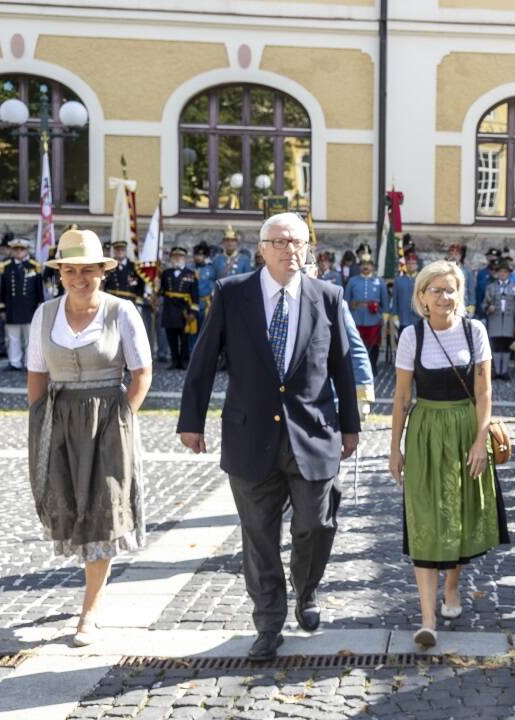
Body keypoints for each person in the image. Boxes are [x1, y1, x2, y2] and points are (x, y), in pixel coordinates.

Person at [178, 212, 361, 662]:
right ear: (261, 248)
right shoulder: (232, 293)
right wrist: (191, 421)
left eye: (296, 242)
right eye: (279, 242)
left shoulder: (328, 296)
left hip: (313, 434)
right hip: (250, 433)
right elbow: (203, 361)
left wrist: (351, 426)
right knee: (259, 536)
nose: (288, 250)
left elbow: (342, 365)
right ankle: (268, 623)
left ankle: (307, 588)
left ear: (307, 248)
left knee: (315, 525)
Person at [25, 228, 153, 647]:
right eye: (70, 270)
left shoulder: (122, 313)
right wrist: (40, 421)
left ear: (103, 272)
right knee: (67, 500)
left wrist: (123, 420)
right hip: (59, 419)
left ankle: (90, 610)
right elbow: (37, 374)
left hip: (107, 419)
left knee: (103, 507)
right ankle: (91, 596)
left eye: (89, 270)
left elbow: (141, 373)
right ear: (60, 273)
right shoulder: (45, 314)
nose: (79, 278)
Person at [389, 259, 508, 648]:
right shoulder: (412, 336)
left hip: (464, 428)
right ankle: (427, 620)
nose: (444, 297)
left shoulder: (475, 332)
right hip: (425, 432)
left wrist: (479, 440)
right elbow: (403, 397)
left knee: (459, 512)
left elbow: (485, 392)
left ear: (460, 293)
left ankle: (452, 586)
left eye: (451, 289)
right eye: (436, 290)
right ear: (421, 296)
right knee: (424, 515)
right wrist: (395, 448)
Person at [0, 237, 44, 371]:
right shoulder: (6, 266)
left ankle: (29, 362)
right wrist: (2, 308)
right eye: (16, 249)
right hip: (12, 307)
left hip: (29, 307)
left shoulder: (34, 266)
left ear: (27, 250)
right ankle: (14, 362)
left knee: (30, 338)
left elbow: (39, 289)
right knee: (13, 337)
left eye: (21, 249)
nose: (18, 252)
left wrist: (40, 305)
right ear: (12, 251)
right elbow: (3, 290)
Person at [482, 257, 515, 380]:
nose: (502, 274)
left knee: (506, 346)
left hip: (509, 322)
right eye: (500, 271)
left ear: (509, 273)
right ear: (497, 273)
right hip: (495, 321)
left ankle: (504, 371)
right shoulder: (491, 287)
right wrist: (488, 307)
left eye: (505, 272)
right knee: (495, 345)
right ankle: (496, 371)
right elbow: (484, 303)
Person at [160, 247, 198, 370]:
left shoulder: (191, 274)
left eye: (180, 257)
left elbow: (195, 295)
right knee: (171, 338)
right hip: (170, 309)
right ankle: (174, 361)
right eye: (175, 257)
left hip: (184, 311)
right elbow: (162, 291)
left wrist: (193, 311)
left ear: (185, 259)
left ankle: (185, 361)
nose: (177, 259)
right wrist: (155, 285)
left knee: (185, 339)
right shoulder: (166, 273)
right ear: (171, 258)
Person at [344, 254, 388, 363]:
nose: (365, 267)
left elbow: (385, 301)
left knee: (374, 345)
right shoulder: (352, 281)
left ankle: (373, 367)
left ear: (373, 267)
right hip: (356, 318)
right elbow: (345, 300)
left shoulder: (379, 282)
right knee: (356, 344)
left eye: (368, 264)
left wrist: (385, 317)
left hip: (374, 318)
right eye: (363, 264)